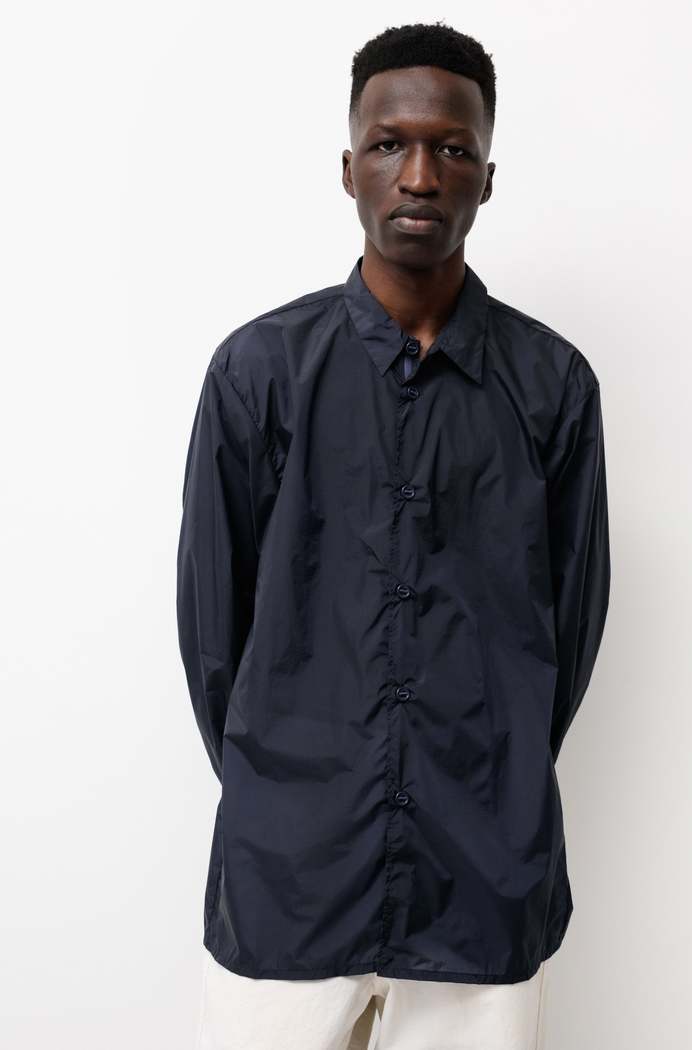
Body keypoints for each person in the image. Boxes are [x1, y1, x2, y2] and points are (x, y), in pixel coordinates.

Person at [176, 20, 611, 1050]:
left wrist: (489, 775)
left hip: (481, 874)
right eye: (389, 144)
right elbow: (212, 636)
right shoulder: (257, 373)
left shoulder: (551, 388)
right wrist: (286, 787)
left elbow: (568, 634)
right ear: (349, 169)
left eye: (451, 148)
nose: (419, 175)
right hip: (291, 875)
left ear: (486, 178)